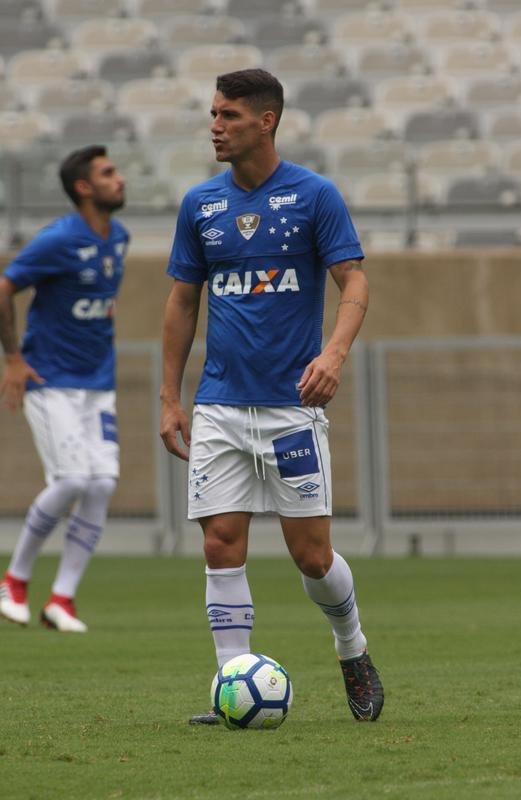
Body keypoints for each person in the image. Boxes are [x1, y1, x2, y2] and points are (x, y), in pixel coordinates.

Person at [160, 69, 384, 722]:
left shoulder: (314, 196)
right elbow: (181, 302)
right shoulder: (200, 204)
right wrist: (171, 398)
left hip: (291, 409)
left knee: (310, 557)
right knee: (219, 542)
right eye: (212, 114)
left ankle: (352, 648)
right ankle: (232, 683)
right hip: (220, 405)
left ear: (266, 121)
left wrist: (332, 354)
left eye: (227, 115)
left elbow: (354, 282)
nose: (215, 126)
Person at [0, 145, 128, 633]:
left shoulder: (119, 238)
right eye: (108, 173)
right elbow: (5, 287)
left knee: (102, 484)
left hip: (98, 385)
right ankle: (14, 581)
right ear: (84, 187)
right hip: (50, 380)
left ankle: (61, 599)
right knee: (72, 480)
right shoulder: (57, 239)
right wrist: (14, 358)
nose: (119, 179)